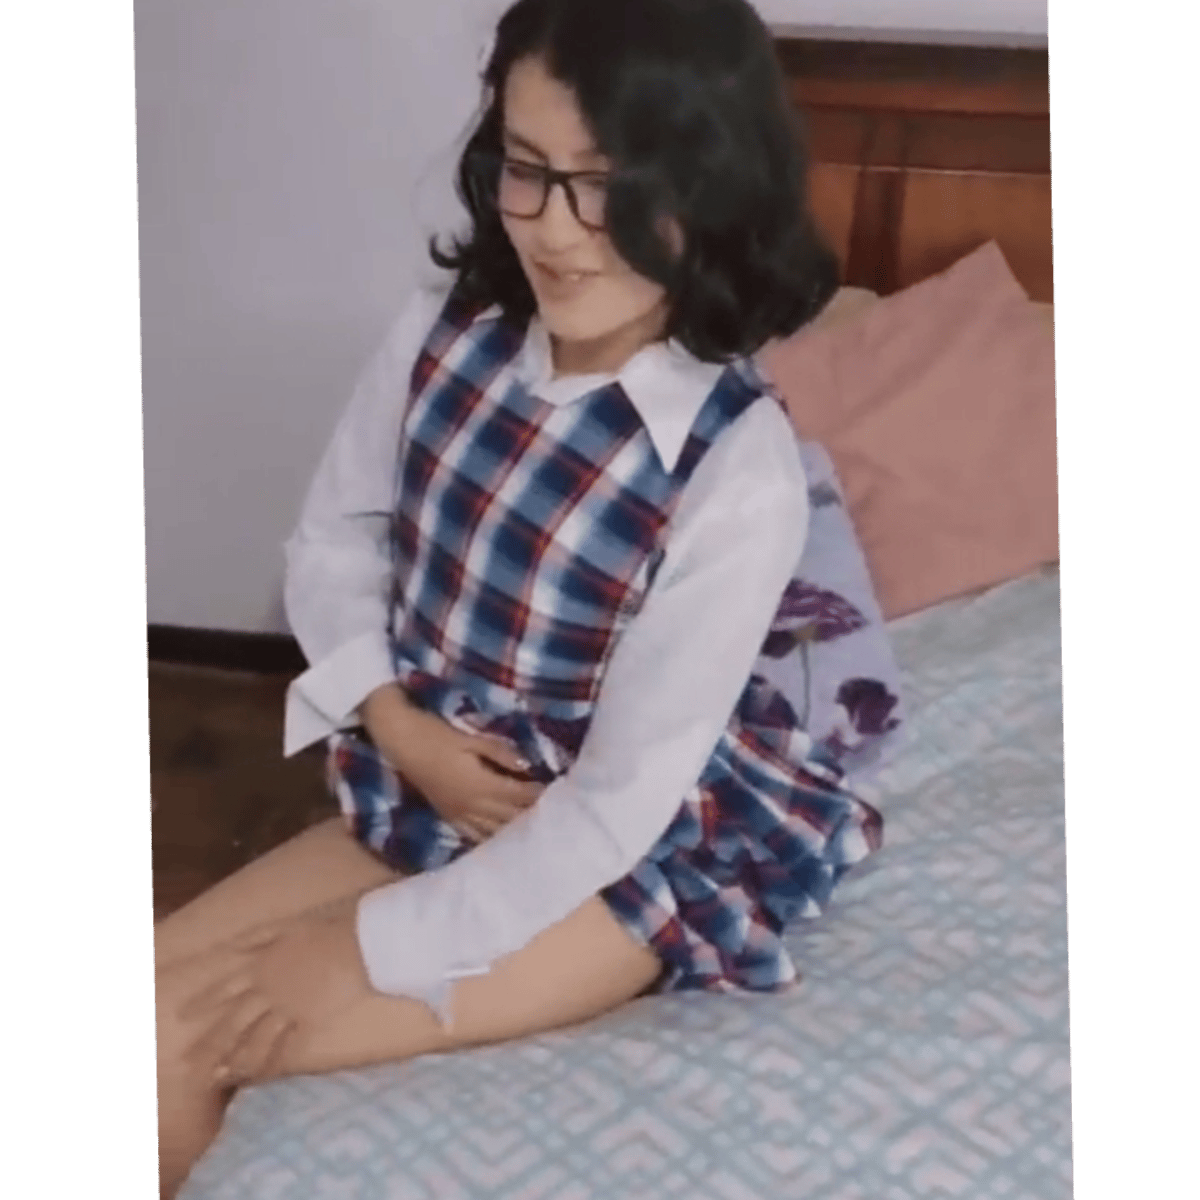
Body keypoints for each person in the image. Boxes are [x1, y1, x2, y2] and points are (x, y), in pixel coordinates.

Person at [152, 0, 904, 1194]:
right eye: (528, 169)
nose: (556, 230)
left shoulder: (736, 467)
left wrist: (360, 949)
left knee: (177, 1046)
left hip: (620, 855)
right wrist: (397, 726)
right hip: (453, 781)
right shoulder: (443, 332)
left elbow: (610, 811)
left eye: (607, 186)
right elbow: (333, 544)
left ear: (709, 189)